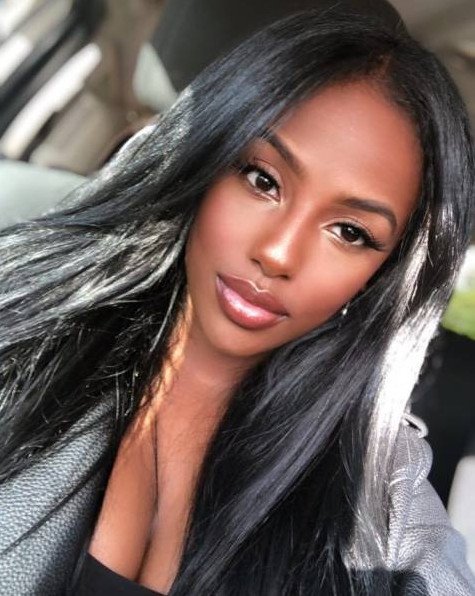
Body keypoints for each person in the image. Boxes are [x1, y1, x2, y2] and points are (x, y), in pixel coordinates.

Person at [0, 7, 474, 596]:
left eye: (350, 232)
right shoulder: (19, 323)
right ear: (202, 160)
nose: (278, 253)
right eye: (261, 180)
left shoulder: (381, 496)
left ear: (383, 275)